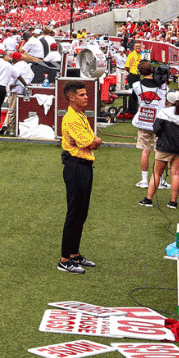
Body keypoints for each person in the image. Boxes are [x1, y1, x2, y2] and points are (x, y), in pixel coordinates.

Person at [59, 81, 101, 274]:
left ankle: (74, 254)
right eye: (82, 95)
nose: (86, 97)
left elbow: (90, 140)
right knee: (74, 213)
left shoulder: (80, 115)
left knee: (81, 213)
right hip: (76, 166)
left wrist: (94, 141)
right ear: (72, 97)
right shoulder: (72, 118)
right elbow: (90, 143)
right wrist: (96, 141)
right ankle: (64, 259)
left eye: (86, 94)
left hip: (84, 166)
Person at [144, 90, 179, 211]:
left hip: (164, 146)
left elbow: (157, 129)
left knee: (156, 173)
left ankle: (148, 199)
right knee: (175, 173)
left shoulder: (163, 112)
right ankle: (173, 202)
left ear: (168, 101)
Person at [131, 75, 165, 191]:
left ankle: (145, 180)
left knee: (145, 150)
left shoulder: (136, 86)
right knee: (158, 151)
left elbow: (134, 99)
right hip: (158, 122)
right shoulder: (163, 87)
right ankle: (158, 180)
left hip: (143, 121)